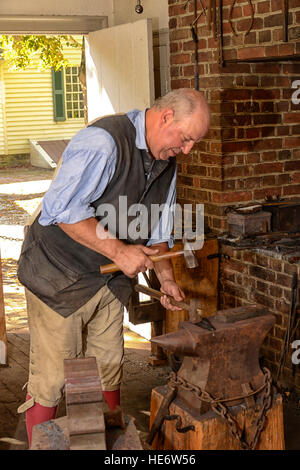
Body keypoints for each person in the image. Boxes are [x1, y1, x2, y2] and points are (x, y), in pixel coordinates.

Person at [17, 88, 210, 447]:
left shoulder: (167, 165)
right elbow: (61, 210)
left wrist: (165, 278)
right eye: (186, 139)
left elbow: (158, 230)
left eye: (193, 143)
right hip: (59, 276)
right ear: (166, 117)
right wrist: (120, 251)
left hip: (108, 283)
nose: (187, 150)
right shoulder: (103, 142)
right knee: (54, 377)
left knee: (109, 367)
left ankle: (108, 446)